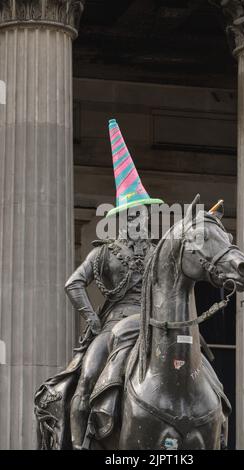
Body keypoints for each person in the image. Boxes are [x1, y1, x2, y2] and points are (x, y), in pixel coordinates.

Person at [34, 119, 164, 449]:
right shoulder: (103, 253)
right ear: (122, 218)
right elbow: (73, 283)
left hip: (152, 324)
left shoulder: (157, 252)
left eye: (144, 213)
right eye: (134, 214)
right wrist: (92, 318)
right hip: (113, 325)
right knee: (86, 380)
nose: (141, 219)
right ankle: (78, 444)